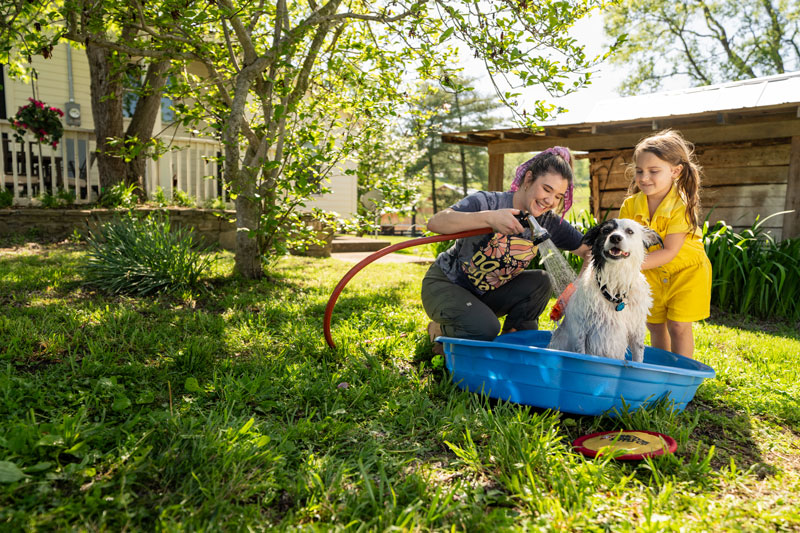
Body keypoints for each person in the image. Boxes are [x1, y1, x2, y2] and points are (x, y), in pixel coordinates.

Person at [422, 147, 591, 354]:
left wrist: (574, 290)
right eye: (546, 189)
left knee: (541, 281)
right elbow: (436, 222)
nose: (550, 201)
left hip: (485, 296)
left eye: (558, 196)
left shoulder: (548, 222)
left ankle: (513, 344)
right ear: (528, 179)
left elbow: (590, 252)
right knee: (485, 329)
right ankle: (440, 331)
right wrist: (489, 218)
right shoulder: (488, 202)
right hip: (445, 285)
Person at [619, 129, 712, 359]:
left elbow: (669, 251)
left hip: (686, 273)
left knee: (678, 325)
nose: (644, 177)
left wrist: (627, 265)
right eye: (639, 171)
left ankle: (680, 375)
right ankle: (663, 371)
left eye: (653, 171)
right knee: (656, 325)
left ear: (675, 171)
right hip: (651, 273)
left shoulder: (681, 205)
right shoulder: (630, 206)